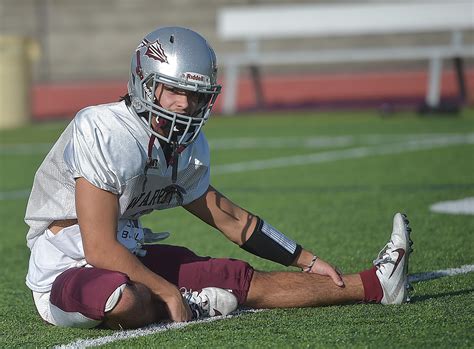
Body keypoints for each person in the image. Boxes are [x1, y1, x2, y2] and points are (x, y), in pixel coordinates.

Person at [25, 27, 413, 329]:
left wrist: (305, 258)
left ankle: (377, 284)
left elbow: (232, 220)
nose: (185, 104)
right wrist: (169, 292)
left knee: (235, 277)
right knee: (126, 299)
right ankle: (187, 302)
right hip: (68, 269)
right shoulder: (104, 129)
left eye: (195, 95)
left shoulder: (187, 144)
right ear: (147, 83)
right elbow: (99, 250)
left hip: (129, 255)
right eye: (175, 90)